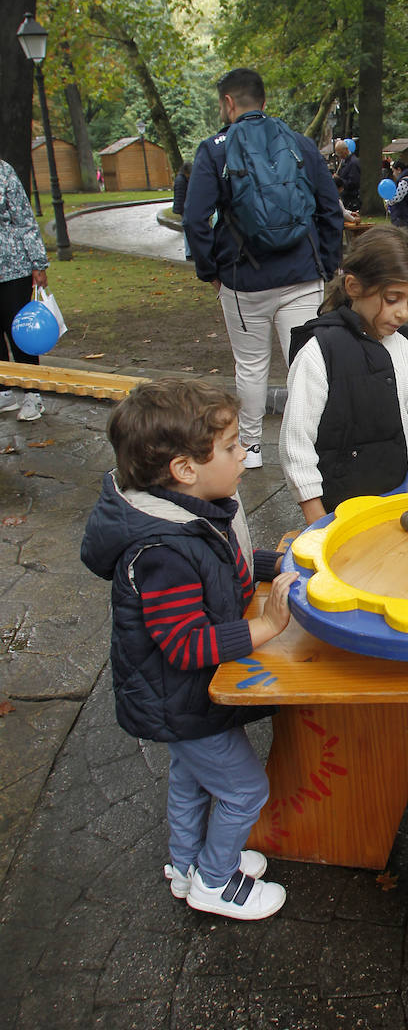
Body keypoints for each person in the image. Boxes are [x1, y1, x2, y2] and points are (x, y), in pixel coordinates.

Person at [80, 379, 298, 921]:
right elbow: (185, 644)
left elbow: (228, 565)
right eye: (231, 448)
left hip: (178, 698)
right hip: (179, 694)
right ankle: (216, 882)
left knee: (191, 778)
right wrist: (268, 627)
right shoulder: (163, 548)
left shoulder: (192, 508)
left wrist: (281, 564)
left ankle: (186, 866)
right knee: (245, 792)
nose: (245, 456)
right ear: (184, 469)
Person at [184, 68, 343, 470]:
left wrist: (211, 271)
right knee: (306, 364)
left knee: (251, 366)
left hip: (243, 280)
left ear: (228, 104)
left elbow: (194, 219)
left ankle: (251, 448)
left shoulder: (214, 149)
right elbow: (330, 209)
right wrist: (325, 264)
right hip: (302, 276)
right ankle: (312, 444)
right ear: (264, 102)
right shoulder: (300, 144)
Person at [280, 226, 408, 522]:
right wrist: (317, 522)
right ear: (354, 287)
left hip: (404, 503)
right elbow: (296, 443)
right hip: (342, 513)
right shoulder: (318, 354)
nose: (403, 313)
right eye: (393, 298)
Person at [0, 160, 49, 422]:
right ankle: (3, 391)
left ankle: (33, 393)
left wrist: (37, 263)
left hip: (12, 268)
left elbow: (25, 220)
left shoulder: (4, 172)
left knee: (19, 330)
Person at [334, 139, 362, 210]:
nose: (340, 156)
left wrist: (339, 180)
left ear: (346, 150)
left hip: (351, 198)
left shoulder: (353, 163)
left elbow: (354, 182)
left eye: (341, 153)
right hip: (345, 197)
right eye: (338, 154)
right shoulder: (344, 162)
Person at [386, 160, 408, 229]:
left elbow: (397, 197)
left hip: (402, 214)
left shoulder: (404, 181)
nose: (393, 174)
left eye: (393, 171)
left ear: (399, 170)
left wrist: (389, 201)